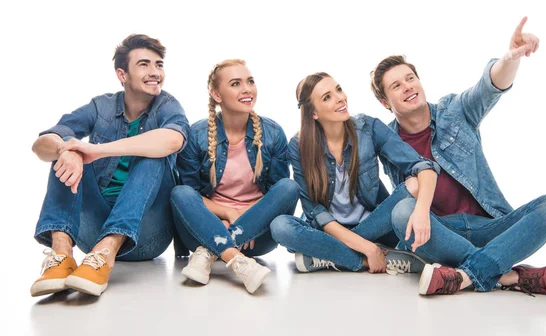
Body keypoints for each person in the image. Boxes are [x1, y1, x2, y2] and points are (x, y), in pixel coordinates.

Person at [370, 17, 546, 296]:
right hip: (438, 233)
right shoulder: (385, 142)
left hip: (491, 226)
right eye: (396, 86)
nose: (407, 86)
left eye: (410, 78)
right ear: (385, 102)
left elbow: (488, 87)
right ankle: (510, 275)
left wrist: (510, 58)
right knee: (402, 212)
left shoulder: (454, 111)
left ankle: (464, 275)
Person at [30, 34, 190, 297]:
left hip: (148, 235)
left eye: (159, 64)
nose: (155, 72)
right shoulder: (101, 106)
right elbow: (41, 145)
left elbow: (172, 140)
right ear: (122, 74)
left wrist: (96, 150)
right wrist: (65, 148)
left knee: (153, 154)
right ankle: (61, 256)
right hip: (93, 233)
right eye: (144, 64)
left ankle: (107, 252)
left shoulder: (168, 105)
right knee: (67, 150)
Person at [270, 72, 439, 275]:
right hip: (330, 230)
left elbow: (423, 167)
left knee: (414, 184)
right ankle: (367, 260)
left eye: (339, 89)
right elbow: (314, 211)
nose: (340, 98)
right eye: (327, 97)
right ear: (313, 113)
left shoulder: (367, 128)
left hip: (374, 226)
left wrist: (421, 212)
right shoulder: (299, 146)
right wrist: (368, 248)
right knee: (281, 226)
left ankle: (329, 255)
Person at [171, 59, 299, 294]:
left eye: (250, 81)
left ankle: (213, 251)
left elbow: (276, 195)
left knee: (289, 186)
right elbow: (193, 199)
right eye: (235, 83)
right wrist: (229, 214)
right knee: (179, 192)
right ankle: (234, 258)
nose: (247, 89)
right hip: (203, 230)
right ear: (216, 94)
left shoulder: (272, 133)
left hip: (256, 236)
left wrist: (247, 222)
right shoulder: (196, 135)